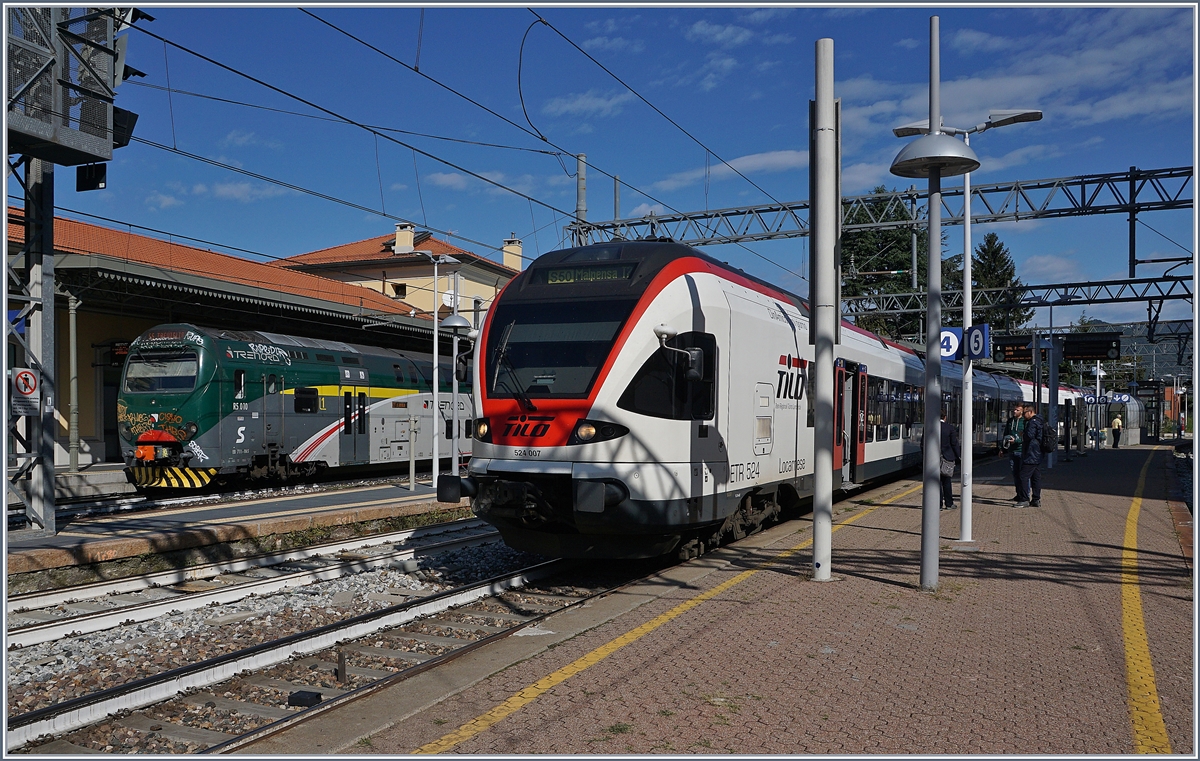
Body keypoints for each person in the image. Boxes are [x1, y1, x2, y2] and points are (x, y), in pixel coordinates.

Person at [1017, 404, 1045, 507]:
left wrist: (1023, 434)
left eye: (1024, 413)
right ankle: (1036, 499)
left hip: (1031, 454)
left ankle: (1024, 499)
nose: (1023, 415)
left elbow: (1029, 435)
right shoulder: (1041, 420)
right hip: (1038, 454)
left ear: (1030, 412)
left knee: (1023, 476)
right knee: (1036, 477)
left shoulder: (1032, 422)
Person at [1000, 403, 1025, 500]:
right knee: (1015, 474)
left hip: (1021, 451)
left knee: (1022, 474)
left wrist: (1017, 440)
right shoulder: (1010, 421)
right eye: (1014, 410)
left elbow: (1025, 436)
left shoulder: (1024, 422)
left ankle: (1024, 495)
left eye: (1017, 410)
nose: (1015, 411)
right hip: (1011, 451)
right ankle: (1018, 494)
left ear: (1022, 411)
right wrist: (1002, 448)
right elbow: (1006, 434)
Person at [940, 408, 961, 510]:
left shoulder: (928, 427)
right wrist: (958, 456)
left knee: (935, 482)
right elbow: (954, 443)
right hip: (947, 458)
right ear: (945, 417)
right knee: (946, 481)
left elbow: (923, 444)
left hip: (932, 459)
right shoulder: (949, 428)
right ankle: (949, 503)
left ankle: (937, 504)